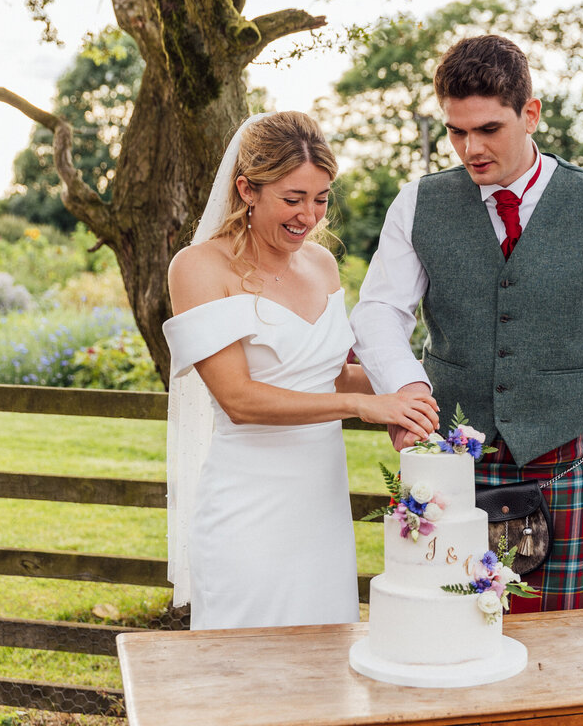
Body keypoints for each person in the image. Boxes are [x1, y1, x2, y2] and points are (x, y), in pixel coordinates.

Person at [351, 35, 583, 612]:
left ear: (531, 113)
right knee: (445, 651)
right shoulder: (418, 203)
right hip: (448, 478)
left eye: (488, 129)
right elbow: (377, 311)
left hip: (564, 474)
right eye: (456, 130)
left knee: (578, 665)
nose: (469, 148)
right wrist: (408, 391)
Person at [163, 111, 439, 630]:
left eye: (321, 198)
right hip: (248, 509)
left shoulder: (322, 265)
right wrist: (364, 405)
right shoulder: (198, 267)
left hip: (321, 506)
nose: (308, 216)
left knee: (323, 665)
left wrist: (411, 387)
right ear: (247, 189)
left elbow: (329, 376)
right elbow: (239, 400)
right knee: (245, 667)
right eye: (292, 199)